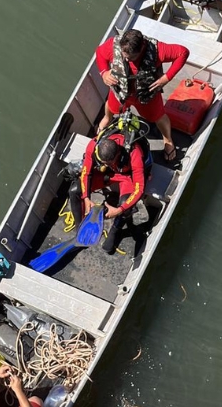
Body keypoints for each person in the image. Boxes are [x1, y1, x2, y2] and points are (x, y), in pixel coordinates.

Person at [95, 28, 189, 162]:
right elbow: (99, 52)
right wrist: (104, 72)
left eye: (131, 57)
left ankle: (168, 140)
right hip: (120, 91)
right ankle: (106, 118)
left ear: (141, 48)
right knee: (110, 106)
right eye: (124, 54)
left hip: (146, 95)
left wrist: (167, 77)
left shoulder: (157, 50)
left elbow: (183, 52)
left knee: (158, 116)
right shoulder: (113, 44)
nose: (126, 59)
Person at [69, 128, 147, 255]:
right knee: (74, 190)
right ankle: (80, 229)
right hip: (105, 174)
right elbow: (86, 173)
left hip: (126, 176)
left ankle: (115, 230)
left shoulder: (134, 153)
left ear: (116, 156)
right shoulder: (94, 145)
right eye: (101, 162)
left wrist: (119, 209)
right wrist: (86, 198)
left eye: (107, 162)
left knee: (126, 205)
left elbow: (139, 189)